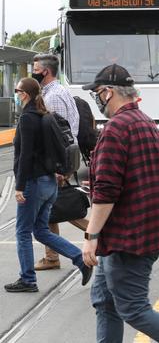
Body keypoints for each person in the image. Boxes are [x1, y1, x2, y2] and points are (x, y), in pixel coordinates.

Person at [81, 64, 159, 342]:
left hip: (127, 236)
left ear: (109, 92)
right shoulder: (145, 121)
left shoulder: (116, 129)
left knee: (133, 309)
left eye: (97, 93)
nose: (96, 100)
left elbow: (107, 192)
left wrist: (91, 236)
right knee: (105, 302)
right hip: (143, 229)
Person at [4, 77, 92, 293]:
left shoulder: (27, 118)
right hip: (49, 183)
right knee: (41, 230)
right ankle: (80, 259)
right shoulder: (46, 115)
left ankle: (28, 280)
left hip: (33, 183)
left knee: (23, 232)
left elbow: (25, 156)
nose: (16, 95)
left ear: (24, 94)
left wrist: (19, 186)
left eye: (17, 91)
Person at [32, 53, 87, 272]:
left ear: (45, 71)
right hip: (63, 158)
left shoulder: (52, 97)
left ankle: (101, 236)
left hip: (58, 161)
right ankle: (51, 256)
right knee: (50, 209)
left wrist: (57, 167)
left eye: (35, 68)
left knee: (65, 209)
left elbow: (57, 134)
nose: (33, 71)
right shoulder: (58, 90)